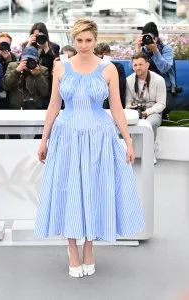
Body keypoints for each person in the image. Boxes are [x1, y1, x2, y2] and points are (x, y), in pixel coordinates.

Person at [35, 19, 145, 278]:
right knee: (69, 190)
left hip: (99, 137)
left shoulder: (108, 69)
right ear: (73, 41)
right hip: (67, 137)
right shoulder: (61, 67)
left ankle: (89, 248)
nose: (84, 45)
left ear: (95, 41)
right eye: (79, 40)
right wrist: (43, 139)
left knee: (95, 189)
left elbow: (116, 108)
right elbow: (54, 105)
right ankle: (72, 249)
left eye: (88, 40)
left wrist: (128, 141)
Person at [126, 52, 166, 164]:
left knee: (149, 124)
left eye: (140, 64)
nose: (137, 67)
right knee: (121, 121)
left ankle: (150, 153)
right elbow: (128, 102)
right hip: (135, 112)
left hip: (153, 111)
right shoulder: (129, 80)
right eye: (135, 65)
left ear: (147, 65)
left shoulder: (158, 80)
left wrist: (146, 112)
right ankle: (126, 152)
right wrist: (129, 107)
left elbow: (161, 104)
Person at [135, 22, 176, 119]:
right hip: (145, 86)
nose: (147, 40)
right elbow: (134, 69)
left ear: (156, 39)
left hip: (164, 87)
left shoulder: (166, 49)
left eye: (149, 37)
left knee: (166, 105)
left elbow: (164, 68)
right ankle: (154, 112)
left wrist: (155, 51)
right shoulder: (142, 50)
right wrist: (137, 49)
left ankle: (158, 112)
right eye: (145, 37)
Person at [94, 42, 126, 108]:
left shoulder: (118, 67)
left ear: (109, 55)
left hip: (113, 102)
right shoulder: (92, 68)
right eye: (100, 56)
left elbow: (120, 90)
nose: (102, 59)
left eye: (105, 56)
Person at [0, 33, 17, 110]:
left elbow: (11, 76)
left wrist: (8, 61)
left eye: (6, 43)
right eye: (2, 43)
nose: (4, 45)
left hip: (8, 91)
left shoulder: (12, 56)